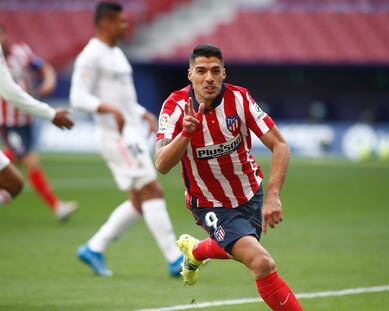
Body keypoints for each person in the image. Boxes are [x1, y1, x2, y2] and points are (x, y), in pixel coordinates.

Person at [155, 44, 304, 310]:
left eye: (215, 71)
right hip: (209, 202)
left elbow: (280, 145)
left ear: (224, 73)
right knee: (261, 262)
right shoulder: (175, 107)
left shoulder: (241, 99)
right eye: (201, 71)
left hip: (250, 192)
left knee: (235, 244)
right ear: (190, 74)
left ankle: (196, 251)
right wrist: (185, 134)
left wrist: (272, 195)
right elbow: (162, 163)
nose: (208, 78)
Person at [70, 1, 183, 278]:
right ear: (106, 22)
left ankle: (94, 248)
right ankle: (175, 259)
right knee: (152, 191)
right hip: (116, 136)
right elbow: (78, 97)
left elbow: (123, 98)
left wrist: (143, 113)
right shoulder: (91, 55)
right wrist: (108, 109)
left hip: (130, 132)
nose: (126, 25)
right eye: (121, 21)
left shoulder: (116, 53)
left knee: (138, 201)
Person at [0, 25, 78, 221]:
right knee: (28, 161)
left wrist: (49, 81)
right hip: (8, 121)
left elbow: (43, 67)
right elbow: (10, 92)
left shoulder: (22, 54)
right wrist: (50, 113)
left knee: (17, 160)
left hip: (26, 118)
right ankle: (57, 206)